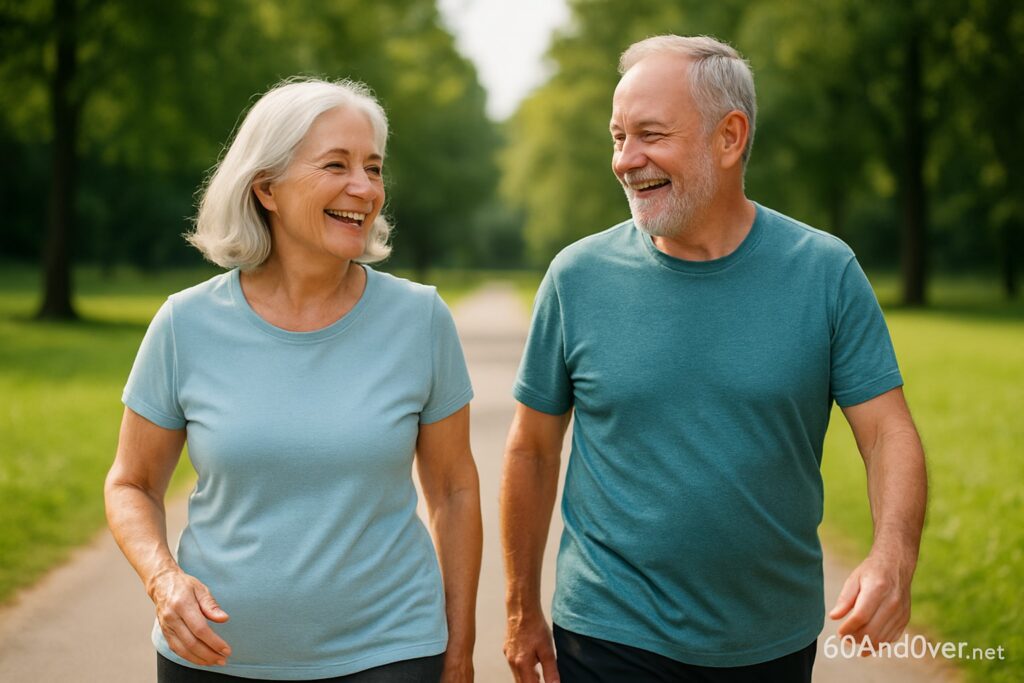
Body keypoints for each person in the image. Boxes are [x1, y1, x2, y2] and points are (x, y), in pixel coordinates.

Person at [500, 35, 927, 683]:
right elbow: (531, 448)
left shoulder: (825, 272)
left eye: (649, 134)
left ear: (729, 138)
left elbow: (887, 430)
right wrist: (520, 606)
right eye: (617, 137)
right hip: (607, 633)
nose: (624, 160)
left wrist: (892, 555)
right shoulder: (576, 277)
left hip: (769, 641)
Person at [104, 78, 482, 682]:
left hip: (391, 653)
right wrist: (163, 579)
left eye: (374, 168)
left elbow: (454, 489)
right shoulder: (186, 323)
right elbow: (132, 483)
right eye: (336, 165)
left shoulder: (420, 320)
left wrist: (459, 651)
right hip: (214, 659)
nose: (364, 188)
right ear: (266, 188)